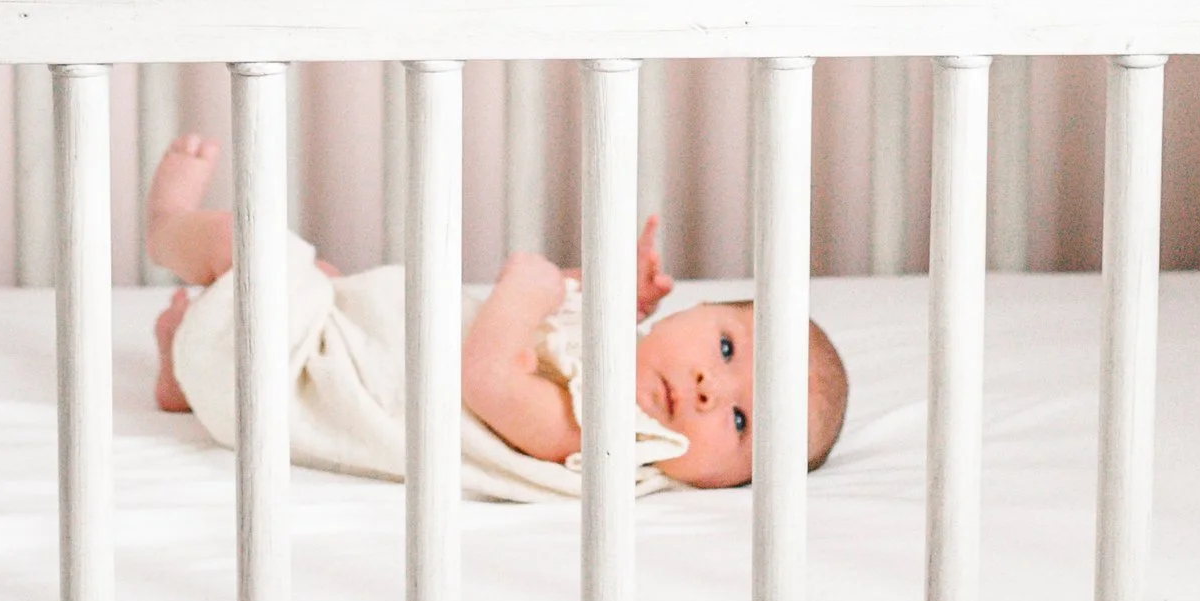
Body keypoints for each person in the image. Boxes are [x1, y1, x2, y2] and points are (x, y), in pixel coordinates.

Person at [143, 134, 848, 504]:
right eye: (725, 348)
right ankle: (183, 367)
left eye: (739, 423)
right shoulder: (604, 373)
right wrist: (600, 294)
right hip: (314, 352)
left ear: (732, 481)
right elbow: (555, 336)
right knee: (320, 283)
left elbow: (486, 377)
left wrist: (529, 282)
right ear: (691, 310)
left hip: (283, 375)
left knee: (261, 250)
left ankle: (168, 228)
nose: (707, 389)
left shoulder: (606, 436)